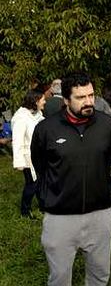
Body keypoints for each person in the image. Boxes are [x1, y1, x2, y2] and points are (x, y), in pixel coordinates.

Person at [31, 73, 111, 286]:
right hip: (60, 218)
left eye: (91, 95)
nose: (89, 102)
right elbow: (40, 165)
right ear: (66, 100)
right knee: (59, 278)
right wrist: (49, 198)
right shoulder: (46, 129)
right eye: (80, 97)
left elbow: (109, 159)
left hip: (100, 215)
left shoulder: (106, 124)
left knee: (100, 275)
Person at [11, 89, 45, 218]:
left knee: (41, 182)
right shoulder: (21, 118)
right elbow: (17, 141)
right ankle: (25, 211)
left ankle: (43, 206)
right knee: (32, 185)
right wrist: (19, 162)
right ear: (35, 101)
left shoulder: (37, 114)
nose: (45, 102)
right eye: (43, 100)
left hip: (39, 156)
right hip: (28, 158)